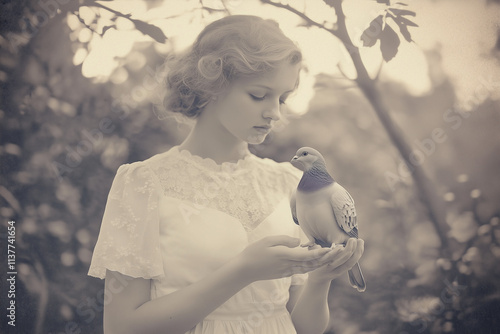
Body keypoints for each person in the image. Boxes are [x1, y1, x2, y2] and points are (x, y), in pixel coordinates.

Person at [88, 15, 364, 334]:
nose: (275, 113)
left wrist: (320, 279)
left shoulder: (289, 183)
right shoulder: (143, 182)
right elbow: (121, 328)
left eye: (283, 99)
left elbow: (304, 328)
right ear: (211, 85)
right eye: (259, 95)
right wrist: (243, 270)